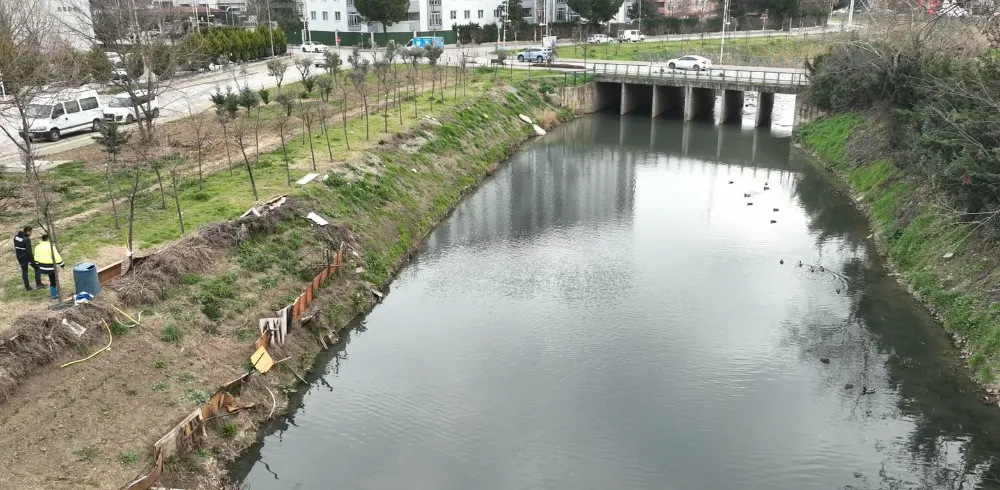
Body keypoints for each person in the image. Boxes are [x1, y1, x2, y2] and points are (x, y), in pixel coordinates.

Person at [33, 234, 64, 299]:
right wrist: (62, 264)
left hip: (42, 266)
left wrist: (37, 264)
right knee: (53, 280)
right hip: (50, 267)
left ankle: (54, 291)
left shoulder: (37, 247)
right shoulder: (51, 247)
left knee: (51, 278)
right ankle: (54, 295)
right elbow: (56, 256)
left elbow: (35, 257)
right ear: (48, 239)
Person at [13, 226, 43, 291]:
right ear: (28, 231)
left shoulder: (16, 237)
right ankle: (39, 284)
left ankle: (27, 287)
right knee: (37, 267)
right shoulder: (26, 239)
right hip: (26, 257)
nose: (31, 233)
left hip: (19, 257)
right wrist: (32, 260)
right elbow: (29, 252)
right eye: (31, 231)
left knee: (24, 271)